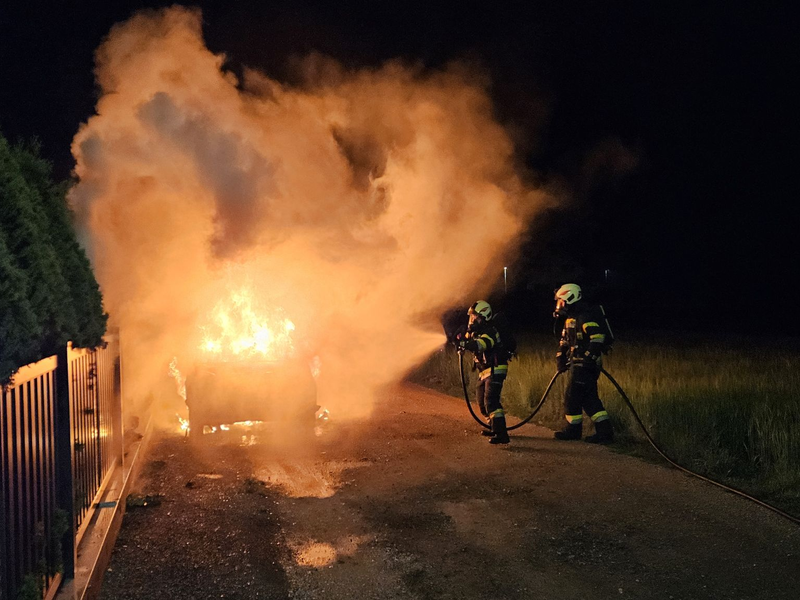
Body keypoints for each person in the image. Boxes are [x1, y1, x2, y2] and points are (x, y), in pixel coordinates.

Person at [552, 283, 614, 444]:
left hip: (586, 365)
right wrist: (560, 357)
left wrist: (589, 357)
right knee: (588, 398)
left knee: (572, 397)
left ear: (570, 299)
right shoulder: (571, 319)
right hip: (577, 364)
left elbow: (598, 337)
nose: (559, 305)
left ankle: (574, 430)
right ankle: (604, 431)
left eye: (561, 301)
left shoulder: (585, 317)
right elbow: (564, 341)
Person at [456, 300, 510, 445]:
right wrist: (459, 338)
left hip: (496, 369)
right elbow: (468, 339)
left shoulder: (490, 331)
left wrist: (466, 344)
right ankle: (494, 426)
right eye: (471, 317)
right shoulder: (477, 332)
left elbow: (481, 344)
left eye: (475, 317)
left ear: (483, 317)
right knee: (482, 403)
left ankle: (501, 434)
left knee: (491, 401)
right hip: (485, 371)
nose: (472, 320)